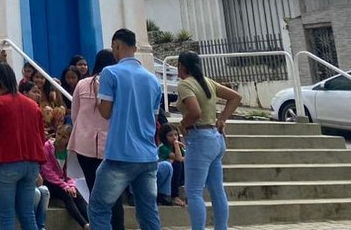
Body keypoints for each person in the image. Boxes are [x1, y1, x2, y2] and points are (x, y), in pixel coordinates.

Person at [88, 29, 163, 230]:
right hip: (148, 155)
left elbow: (105, 112)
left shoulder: (110, 72)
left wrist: (98, 96)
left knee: (98, 207)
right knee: (148, 212)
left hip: (120, 154)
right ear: (136, 48)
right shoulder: (153, 80)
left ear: (116, 46)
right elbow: (154, 118)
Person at [177, 51, 242, 230]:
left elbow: (195, 112)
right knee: (216, 189)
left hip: (199, 139)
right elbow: (235, 97)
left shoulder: (185, 85)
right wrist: (221, 119)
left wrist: (183, 125)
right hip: (215, 137)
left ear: (182, 66)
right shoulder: (207, 81)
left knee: (194, 191)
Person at [0, 62, 46, 230]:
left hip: (6, 163)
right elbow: (41, 136)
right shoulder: (33, 104)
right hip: (31, 164)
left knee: (6, 217)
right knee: (27, 214)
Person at [69, 49, 124, 230]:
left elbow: (75, 114)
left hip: (84, 144)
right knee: (114, 194)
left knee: (94, 191)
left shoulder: (82, 84)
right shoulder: (118, 84)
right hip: (110, 146)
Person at [40, 124, 90, 229]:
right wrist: (65, 186)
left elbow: (70, 173)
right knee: (66, 194)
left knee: (77, 194)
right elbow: (48, 172)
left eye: (64, 137)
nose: (59, 138)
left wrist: (71, 185)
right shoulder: (47, 147)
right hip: (50, 182)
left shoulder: (69, 152)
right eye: (58, 134)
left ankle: (91, 222)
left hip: (62, 182)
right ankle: (84, 224)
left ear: (68, 139)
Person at [156, 124, 186, 206]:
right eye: (170, 135)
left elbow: (187, 158)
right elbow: (179, 158)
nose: (174, 137)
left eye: (176, 134)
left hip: (176, 175)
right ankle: (174, 196)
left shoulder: (178, 147)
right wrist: (176, 145)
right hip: (165, 176)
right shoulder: (163, 148)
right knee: (178, 164)